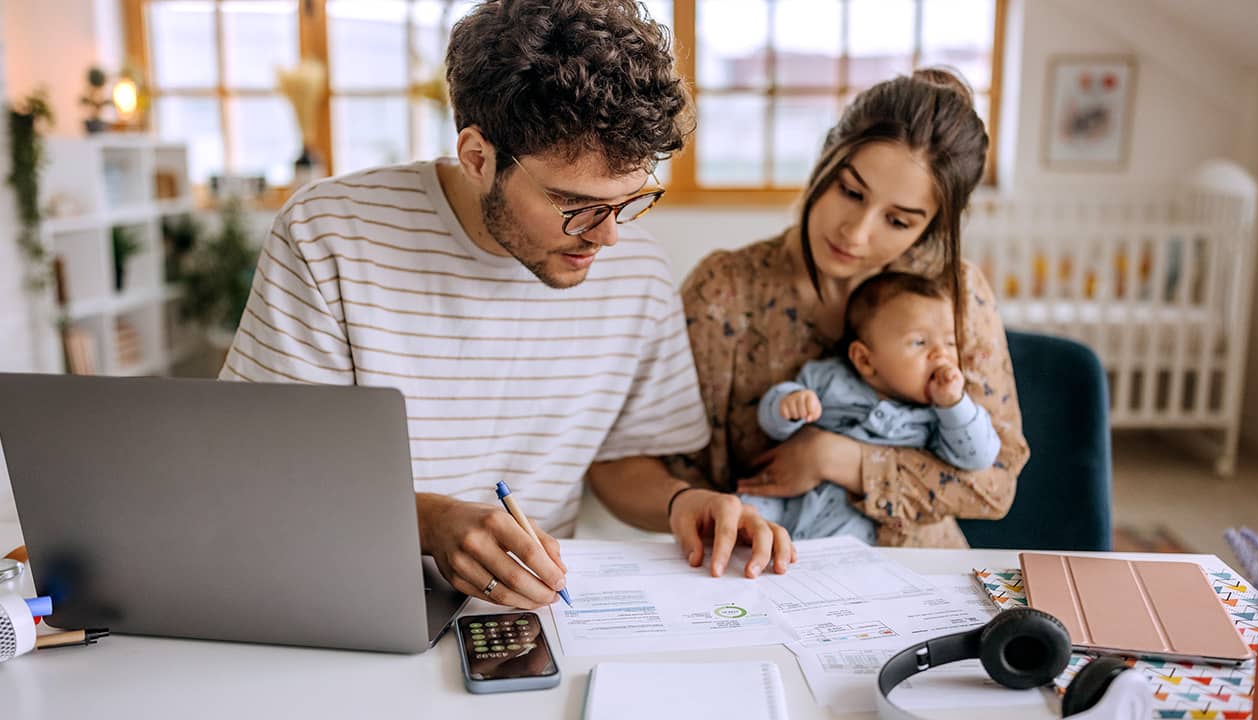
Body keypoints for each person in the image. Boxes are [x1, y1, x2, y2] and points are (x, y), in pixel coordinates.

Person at [219, 0, 795, 610]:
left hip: (532, 612)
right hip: (350, 591)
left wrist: (683, 503)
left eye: (630, 200)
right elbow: (265, 473)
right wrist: (429, 522)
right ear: (477, 157)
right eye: (575, 205)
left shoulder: (637, 270)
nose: (608, 236)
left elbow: (621, 464)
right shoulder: (330, 234)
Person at [668, 68, 1030, 548]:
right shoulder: (724, 291)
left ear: (931, 226)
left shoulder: (956, 293)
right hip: (760, 569)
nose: (855, 233)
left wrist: (835, 458)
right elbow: (672, 471)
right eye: (851, 192)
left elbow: (995, 483)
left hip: (918, 580)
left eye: (898, 220)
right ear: (825, 158)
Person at [747, 271, 1001, 543]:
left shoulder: (938, 416)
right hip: (788, 499)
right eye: (919, 342)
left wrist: (953, 404)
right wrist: (788, 404)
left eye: (951, 343)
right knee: (745, 512)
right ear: (865, 360)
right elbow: (772, 425)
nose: (942, 354)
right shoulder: (829, 378)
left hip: (853, 517)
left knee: (846, 553)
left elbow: (978, 457)